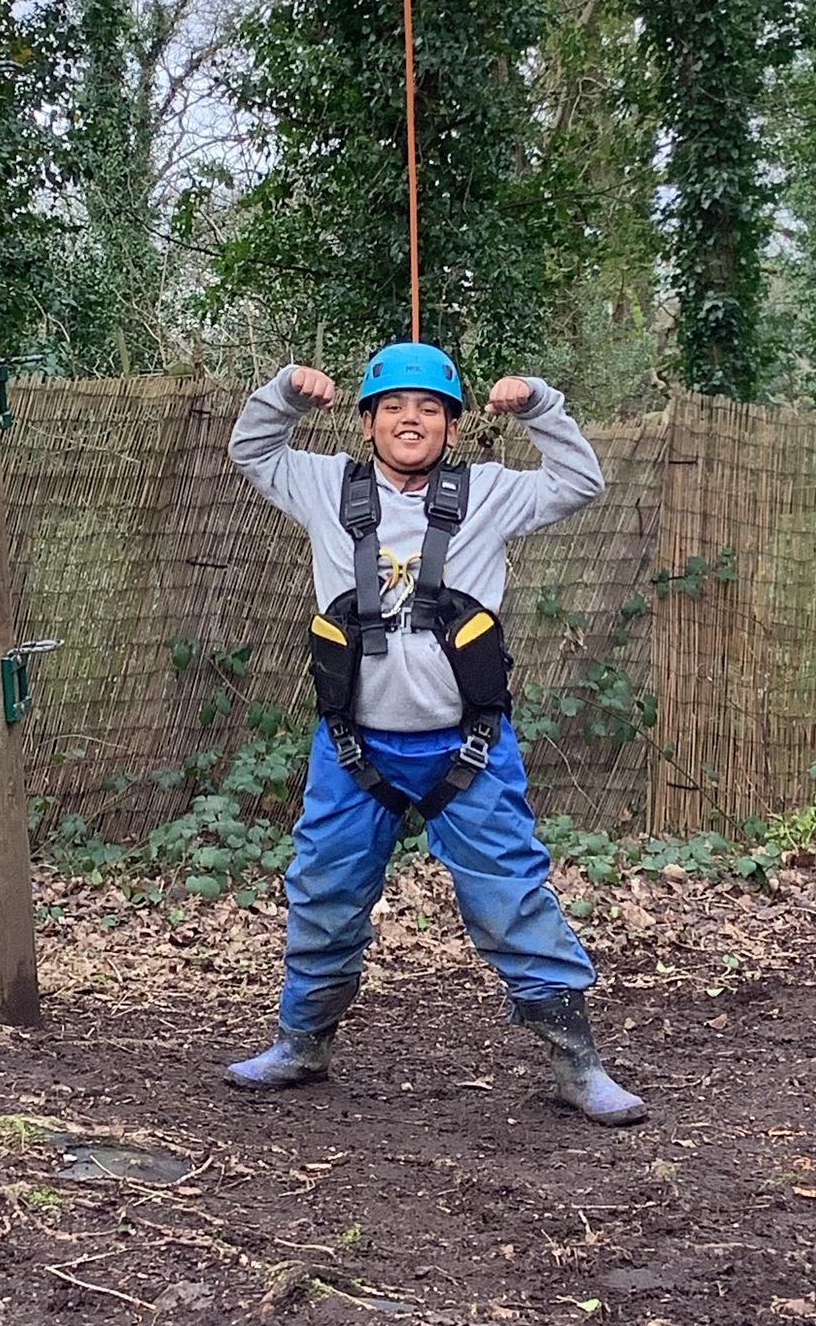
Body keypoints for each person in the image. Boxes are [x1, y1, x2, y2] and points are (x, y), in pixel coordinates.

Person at [223, 341, 646, 1125]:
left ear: (452, 427)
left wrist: (539, 406)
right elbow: (251, 451)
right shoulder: (324, 486)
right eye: (392, 407)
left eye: (428, 409)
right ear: (367, 423)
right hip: (354, 747)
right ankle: (302, 1043)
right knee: (324, 891)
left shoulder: (487, 493)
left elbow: (580, 481)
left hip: (467, 747)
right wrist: (284, 394)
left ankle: (577, 1064)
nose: (409, 419)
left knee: (510, 893)